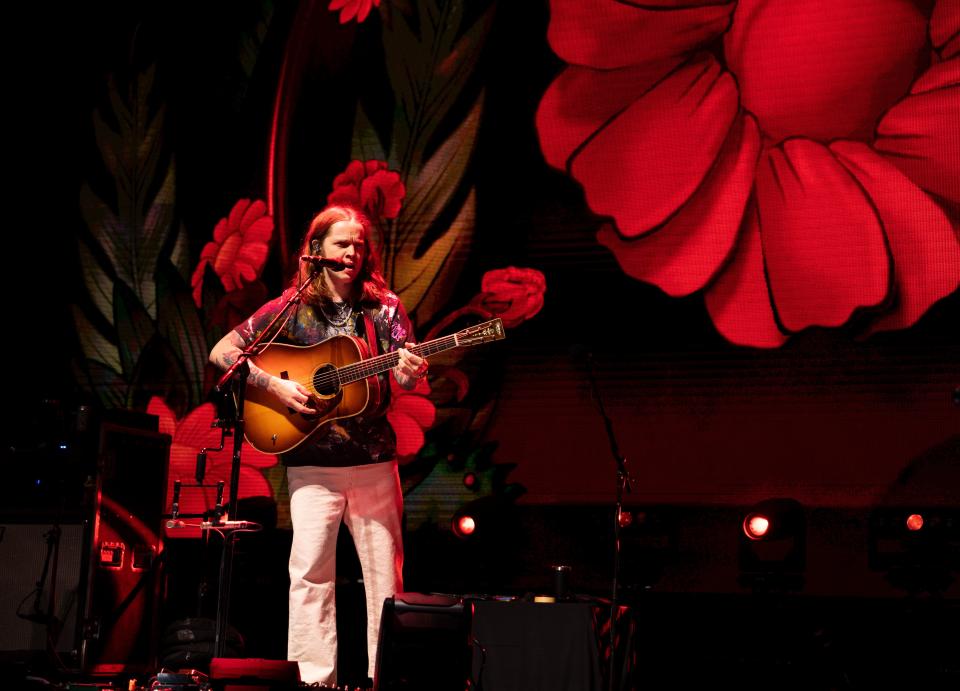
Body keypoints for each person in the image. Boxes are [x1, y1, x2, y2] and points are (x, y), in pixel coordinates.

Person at [209, 204, 427, 685]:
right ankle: (313, 681)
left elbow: (404, 371)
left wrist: (409, 372)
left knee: (385, 582)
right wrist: (275, 387)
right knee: (308, 575)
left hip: (373, 462)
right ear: (317, 250)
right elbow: (223, 351)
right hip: (309, 463)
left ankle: (384, 678)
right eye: (342, 244)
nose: (352, 253)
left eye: (359, 245)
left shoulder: (384, 308)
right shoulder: (292, 305)